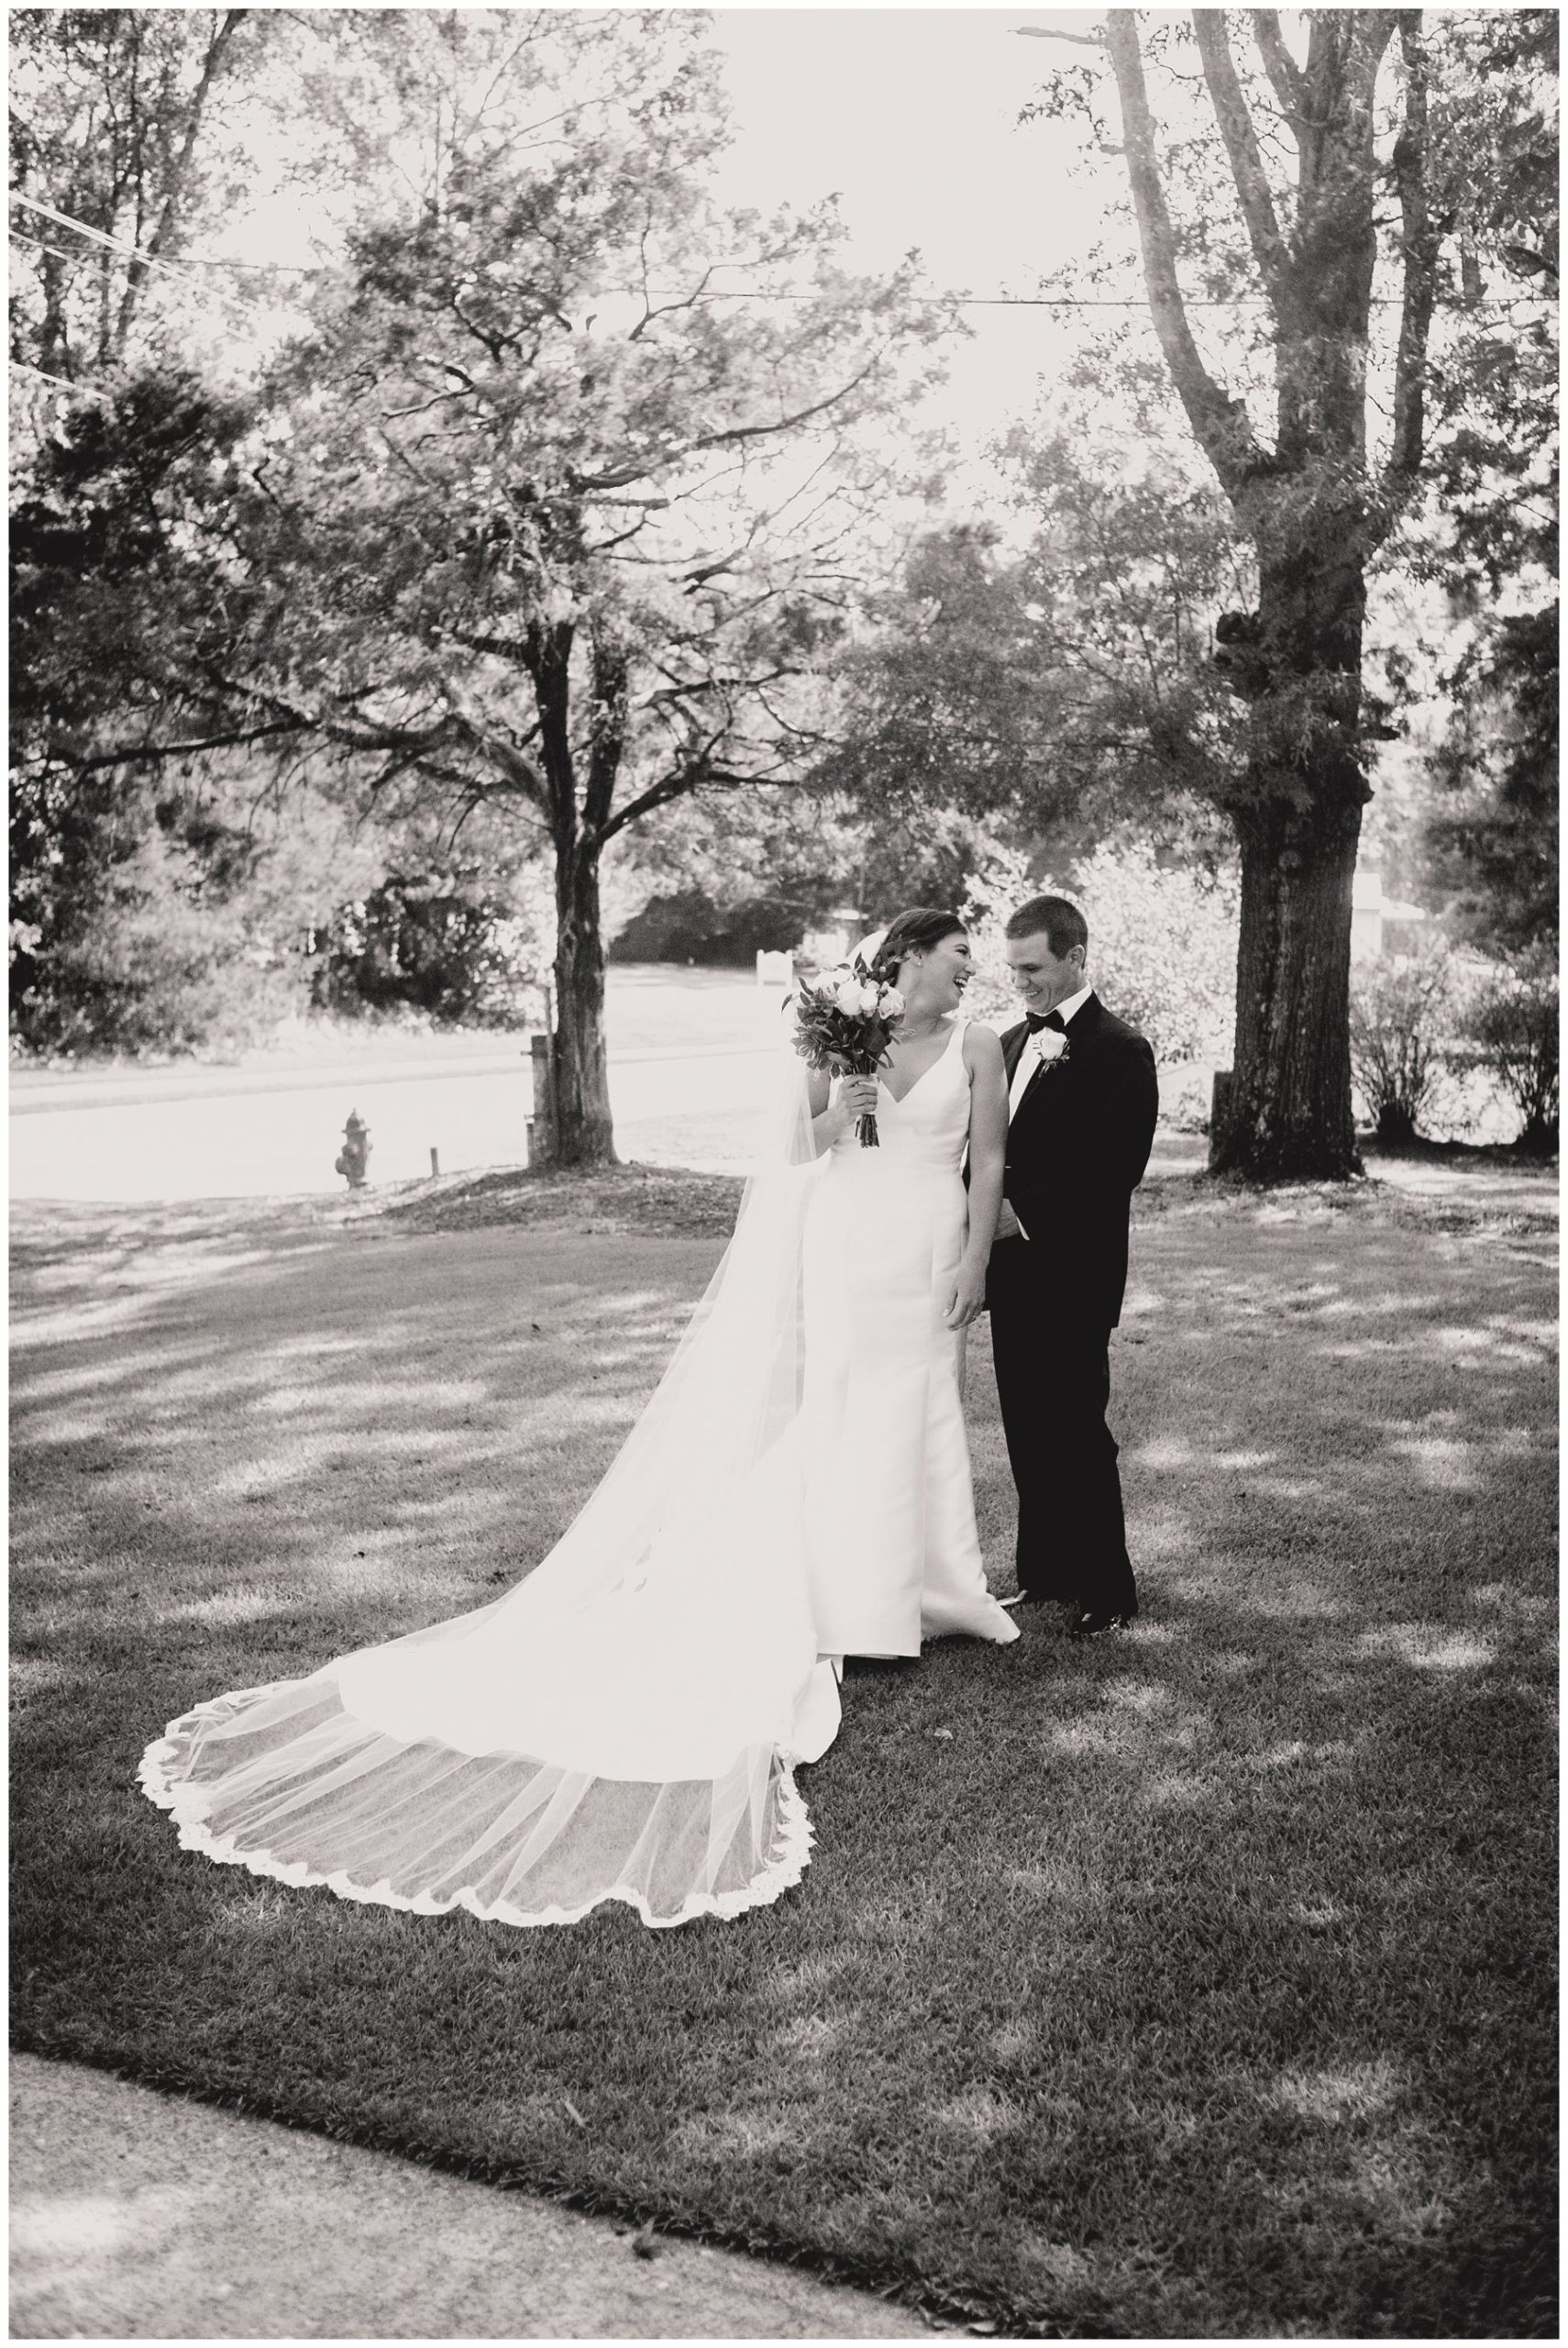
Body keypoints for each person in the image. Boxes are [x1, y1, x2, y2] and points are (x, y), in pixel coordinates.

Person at [141, 908, 1016, 1933]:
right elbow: (797, 1147)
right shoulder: (838, 1028)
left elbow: (988, 1163)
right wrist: (841, 1113)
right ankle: (853, 1600)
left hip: (926, 1238)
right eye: (959, 958)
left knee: (919, 1412)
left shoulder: (982, 1043)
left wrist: (974, 1260)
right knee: (841, 1411)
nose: (970, 976)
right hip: (847, 1233)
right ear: (909, 957)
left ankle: (943, 1591)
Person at [986, 894, 1159, 1634]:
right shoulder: (1003, 1044)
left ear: (1075, 957)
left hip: (1075, 1274)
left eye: (1034, 968)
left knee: (1079, 1429)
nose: (1020, 982)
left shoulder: (1121, 1049)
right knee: (1026, 1424)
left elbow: (1112, 1169)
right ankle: (1045, 1573)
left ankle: (1108, 1588)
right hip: (1009, 1274)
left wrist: (1016, 1210)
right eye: (1013, 968)